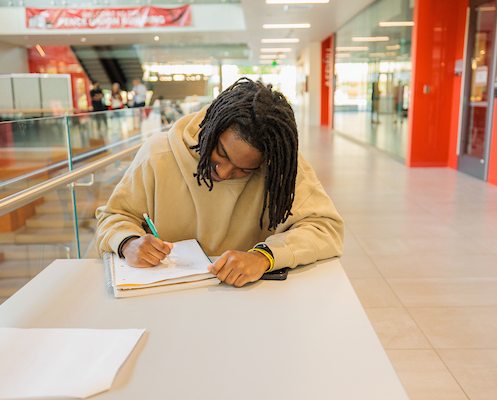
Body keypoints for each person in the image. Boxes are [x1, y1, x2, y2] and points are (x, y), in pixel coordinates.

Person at [95, 78, 344, 287]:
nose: (224, 173)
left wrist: (264, 257)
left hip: (252, 300)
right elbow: (114, 216)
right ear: (211, 130)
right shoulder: (157, 155)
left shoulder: (280, 165)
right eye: (221, 155)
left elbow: (325, 228)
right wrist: (128, 243)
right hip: (169, 299)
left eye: (244, 170)